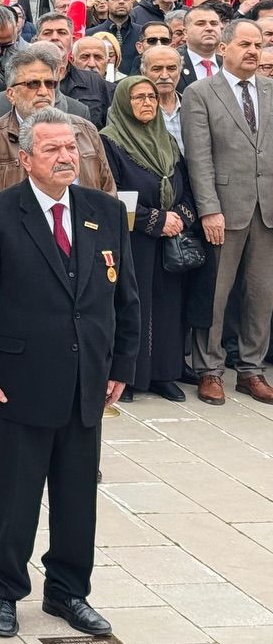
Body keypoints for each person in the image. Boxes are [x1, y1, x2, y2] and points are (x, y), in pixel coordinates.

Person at [0, 108, 139, 640]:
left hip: (86, 382)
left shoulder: (102, 210)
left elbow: (124, 297)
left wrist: (121, 363)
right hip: (16, 384)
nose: (65, 157)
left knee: (78, 497)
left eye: (71, 148)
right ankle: (4, 591)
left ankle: (68, 591)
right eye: (52, 149)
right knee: (14, 497)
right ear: (26, 158)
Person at [182, 18, 273, 406]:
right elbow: (199, 158)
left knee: (261, 294)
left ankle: (251, 369)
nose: (253, 51)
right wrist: (208, 209)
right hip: (223, 208)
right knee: (215, 295)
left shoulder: (270, 89)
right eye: (245, 45)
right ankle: (210, 369)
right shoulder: (201, 93)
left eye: (259, 45)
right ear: (224, 48)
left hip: (266, 208)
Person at [99, 76, 195, 403]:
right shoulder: (110, 142)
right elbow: (111, 194)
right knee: (131, 305)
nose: (147, 103)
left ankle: (163, 374)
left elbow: (186, 185)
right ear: (125, 102)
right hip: (132, 239)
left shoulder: (166, 140)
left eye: (151, 97)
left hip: (169, 241)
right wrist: (156, 221)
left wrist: (179, 216)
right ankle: (129, 376)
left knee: (168, 307)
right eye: (138, 97)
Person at [0, 48, 116, 213]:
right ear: (11, 94)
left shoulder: (86, 130)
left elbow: (108, 197)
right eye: (33, 84)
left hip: (85, 234)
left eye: (50, 84)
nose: (44, 92)